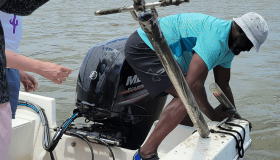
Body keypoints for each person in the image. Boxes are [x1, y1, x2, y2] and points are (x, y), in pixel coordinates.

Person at [124, 12, 268, 160]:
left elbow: (223, 85)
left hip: (161, 50)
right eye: (250, 43)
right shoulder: (215, 38)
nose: (249, 49)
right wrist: (212, 115)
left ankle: (184, 140)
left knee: (186, 96)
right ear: (240, 31)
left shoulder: (229, 47)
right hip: (146, 45)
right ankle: (145, 153)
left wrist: (236, 117)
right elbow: (193, 86)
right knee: (186, 96)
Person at [0, 0, 53, 159]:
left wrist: (19, 70)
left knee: (6, 129)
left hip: (9, 68)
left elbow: (23, 8)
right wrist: (39, 67)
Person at [0, 11, 72, 119]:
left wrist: (17, 69)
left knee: (4, 128)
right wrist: (41, 67)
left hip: (9, 71)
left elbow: (8, 41)